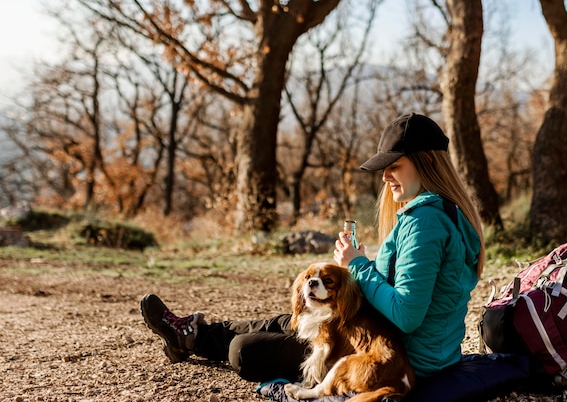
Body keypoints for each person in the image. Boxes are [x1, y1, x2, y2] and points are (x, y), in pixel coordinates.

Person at [140, 112, 485, 387]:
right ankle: (191, 336)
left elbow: (408, 315)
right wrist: (365, 265)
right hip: (422, 349)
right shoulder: (446, 213)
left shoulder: (424, 222)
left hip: (392, 355)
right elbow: (413, 292)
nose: (384, 177)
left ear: (425, 162)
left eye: (394, 166)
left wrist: (360, 266)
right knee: (286, 319)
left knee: (244, 352)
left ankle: (195, 339)